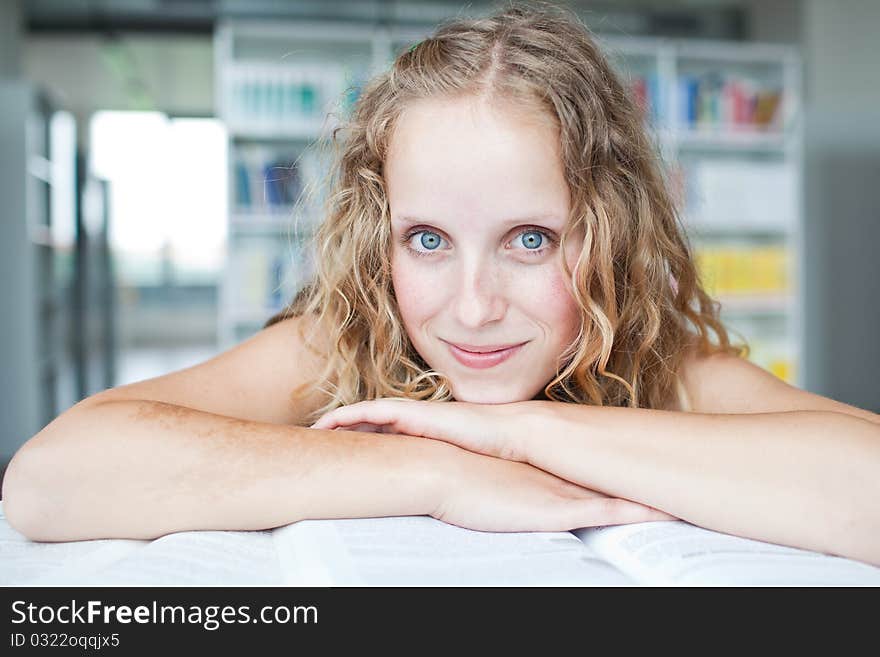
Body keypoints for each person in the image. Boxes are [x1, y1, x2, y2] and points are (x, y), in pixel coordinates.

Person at [4, 3, 879, 567]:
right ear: (379, 233)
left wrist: (512, 429)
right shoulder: (341, 340)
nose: (471, 307)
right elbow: (50, 479)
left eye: (530, 240)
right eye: (426, 239)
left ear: (610, 233)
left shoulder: (664, 367)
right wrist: (435, 470)